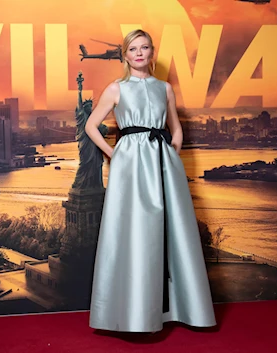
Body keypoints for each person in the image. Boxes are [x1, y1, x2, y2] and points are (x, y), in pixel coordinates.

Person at [85, 29, 217, 333]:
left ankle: (180, 310)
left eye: (144, 47)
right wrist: (113, 154)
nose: (139, 53)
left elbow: (176, 127)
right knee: (133, 229)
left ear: (152, 52)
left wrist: (173, 152)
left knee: (173, 229)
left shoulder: (165, 88)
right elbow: (92, 126)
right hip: (129, 163)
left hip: (163, 162)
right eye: (133, 49)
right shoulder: (116, 89)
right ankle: (130, 313)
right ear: (125, 55)